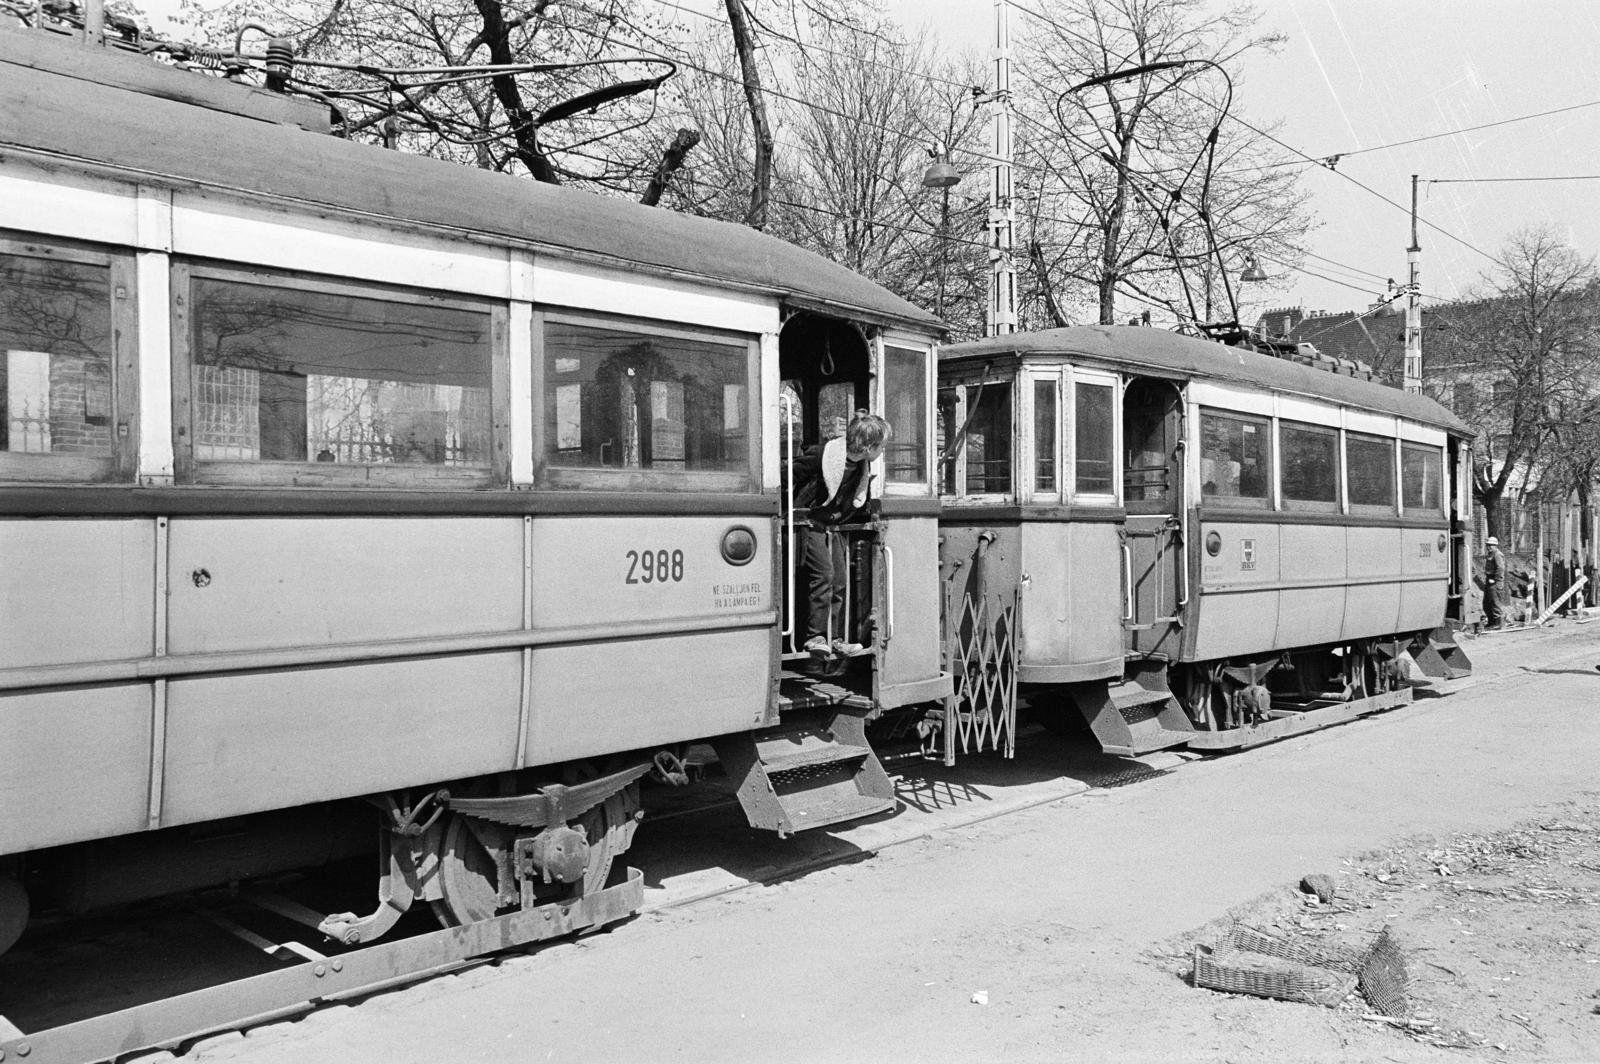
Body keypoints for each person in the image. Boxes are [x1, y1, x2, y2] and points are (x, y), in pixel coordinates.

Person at [789, 410, 891, 658]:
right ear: (868, 447)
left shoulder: (859, 465)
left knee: (839, 580)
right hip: (808, 524)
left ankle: (834, 638)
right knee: (823, 575)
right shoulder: (822, 456)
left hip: (829, 527)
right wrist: (790, 513)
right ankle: (814, 637)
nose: (882, 452)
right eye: (881, 447)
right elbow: (786, 477)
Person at [1483, 535, 1506, 629]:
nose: (1488, 547)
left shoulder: (1497, 554)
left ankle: (1498, 623)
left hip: (1495, 582)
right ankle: (1491, 622)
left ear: (1495, 545)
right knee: (1487, 603)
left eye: (1490, 545)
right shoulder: (1491, 554)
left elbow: (1500, 568)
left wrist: (1496, 579)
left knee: (1495, 603)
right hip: (1489, 580)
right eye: (1488, 545)